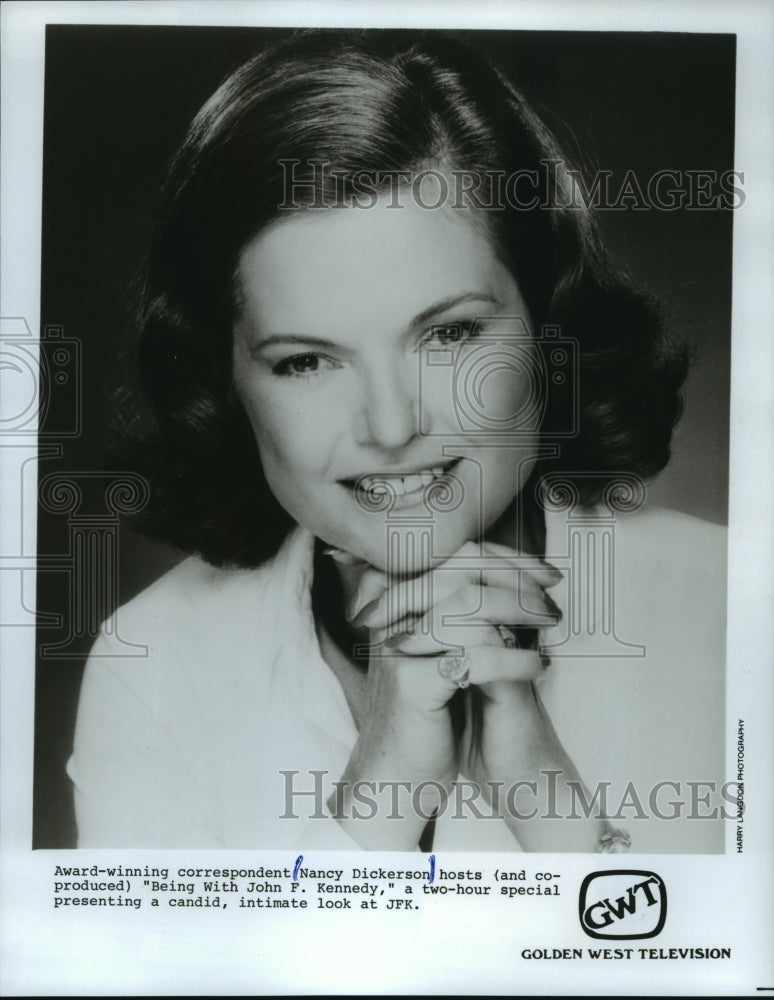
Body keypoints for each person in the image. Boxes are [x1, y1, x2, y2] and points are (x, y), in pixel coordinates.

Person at [67, 29, 727, 853]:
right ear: (223, 379)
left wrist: (541, 795)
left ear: (546, 320)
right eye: (305, 360)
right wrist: (381, 793)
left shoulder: (734, 611)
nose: (391, 427)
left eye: (448, 336)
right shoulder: (156, 662)